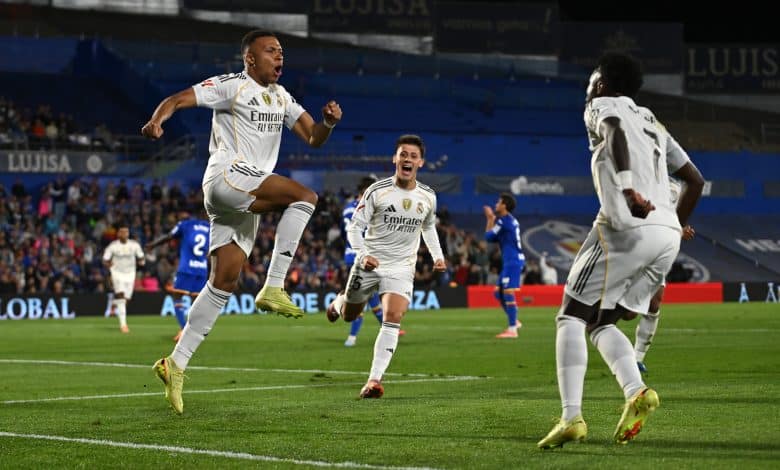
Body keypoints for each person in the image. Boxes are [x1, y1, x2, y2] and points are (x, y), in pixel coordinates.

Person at [142, 30, 342, 414]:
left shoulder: (282, 97)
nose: (278, 56)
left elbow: (313, 138)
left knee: (224, 280)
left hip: (243, 194)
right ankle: (274, 285)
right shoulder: (231, 86)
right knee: (306, 197)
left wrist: (328, 123)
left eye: (281, 51)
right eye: (270, 51)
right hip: (227, 176)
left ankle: (175, 363)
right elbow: (178, 99)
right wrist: (157, 121)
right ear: (250, 59)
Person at [538, 52, 704, 449]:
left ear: (602, 84)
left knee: (570, 317)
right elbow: (695, 180)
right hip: (666, 233)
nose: (588, 88)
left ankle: (571, 417)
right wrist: (676, 225)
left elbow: (611, 128)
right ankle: (636, 390)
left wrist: (628, 187)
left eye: (591, 80)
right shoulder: (653, 121)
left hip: (627, 225)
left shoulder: (601, 106)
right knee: (602, 321)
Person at [325, 134, 446, 399]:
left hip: (402, 267)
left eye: (413, 156)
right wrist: (363, 254)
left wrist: (438, 255)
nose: (407, 159)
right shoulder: (377, 191)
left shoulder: (428, 196)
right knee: (349, 315)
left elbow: (428, 227)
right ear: (395, 158)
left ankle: (373, 380)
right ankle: (339, 302)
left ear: (421, 163)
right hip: (369, 264)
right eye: (403, 154)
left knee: (393, 317)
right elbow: (355, 227)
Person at [632, 178, 702, 373]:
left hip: (659, 249)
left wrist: (679, 231)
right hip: (637, 246)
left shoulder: (677, 186)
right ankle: (596, 323)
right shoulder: (645, 178)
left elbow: (670, 218)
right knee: (628, 313)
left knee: (655, 303)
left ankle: (637, 358)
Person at [341, 176, 406, 347]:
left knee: (371, 298)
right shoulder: (363, 209)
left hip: (359, 256)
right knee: (361, 299)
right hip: (361, 257)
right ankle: (352, 333)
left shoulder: (349, 208)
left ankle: (391, 329)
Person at [146, 211, 211, 342]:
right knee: (197, 301)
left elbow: (169, 236)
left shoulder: (185, 225)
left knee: (177, 296)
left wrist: (153, 245)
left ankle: (184, 328)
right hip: (202, 269)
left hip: (186, 268)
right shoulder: (211, 228)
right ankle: (197, 329)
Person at [483, 193, 525, 339]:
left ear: (504, 206)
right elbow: (492, 238)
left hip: (512, 262)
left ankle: (512, 330)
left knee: (508, 292)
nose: (496, 204)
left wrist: (490, 219)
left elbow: (488, 236)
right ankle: (515, 321)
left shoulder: (504, 222)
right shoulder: (510, 221)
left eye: (498, 202)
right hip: (511, 261)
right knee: (498, 293)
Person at [102, 225, 145, 334]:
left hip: (130, 273)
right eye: (122, 232)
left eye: (126, 232)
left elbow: (141, 257)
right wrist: (108, 265)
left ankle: (115, 304)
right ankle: (123, 325)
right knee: (121, 295)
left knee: (126, 299)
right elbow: (105, 259)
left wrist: (141, 262)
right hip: (117, 273)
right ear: (118, 234)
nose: (124, 234)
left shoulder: (134, 245)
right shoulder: (113, 246)